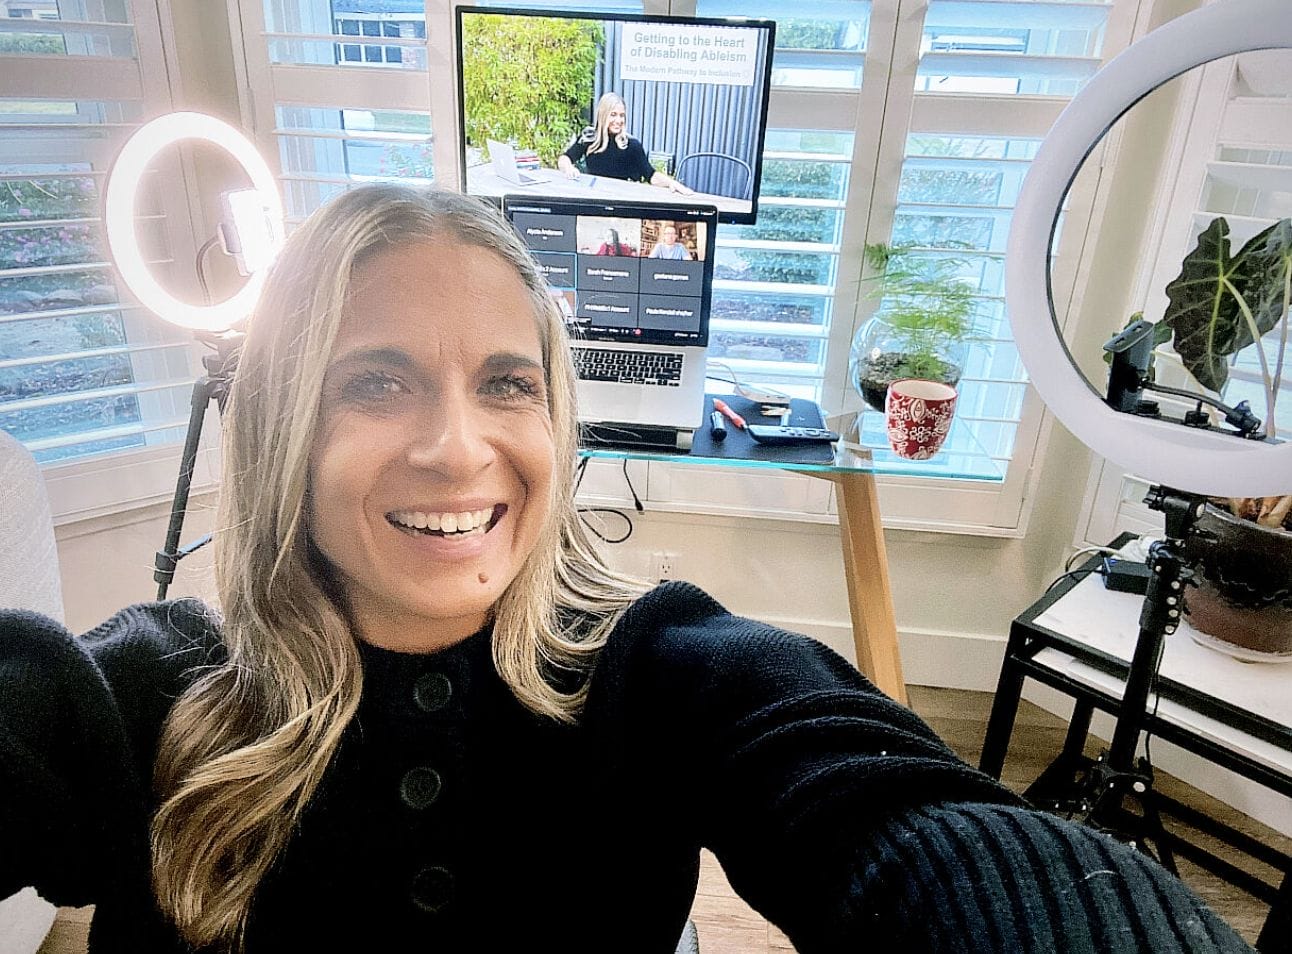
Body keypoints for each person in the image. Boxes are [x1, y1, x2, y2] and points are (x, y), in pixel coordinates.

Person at [0, 185, 1255, 954]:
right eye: (373, 381)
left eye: (506, 383)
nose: (456, 448)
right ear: (279, 424)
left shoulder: (655, 665)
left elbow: (905, 818)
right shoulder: (152, 692)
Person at [557, 92, 694, 195]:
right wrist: (568, 168)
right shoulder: (589, 138)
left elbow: (650, 175)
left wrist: (672, 183)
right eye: (613, 114)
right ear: (603, 115)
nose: (618, 120)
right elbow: (565, 158)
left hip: (624, 199)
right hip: (596, 198)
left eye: (621, 115)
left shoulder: (632, 146)